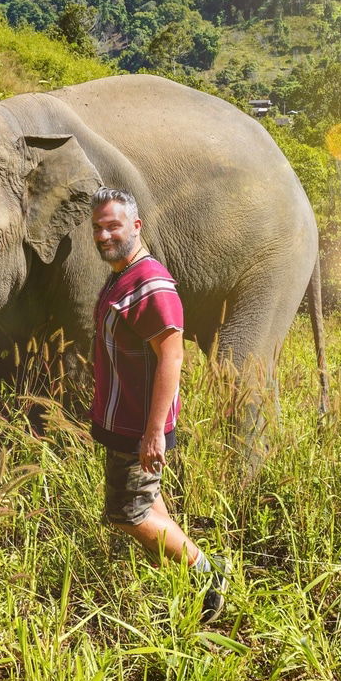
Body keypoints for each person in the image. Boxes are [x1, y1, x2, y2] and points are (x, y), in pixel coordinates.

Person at [89, 186, 231, 624]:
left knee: (126, 512)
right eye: (97, 227)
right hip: (126, 417)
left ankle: (208, 575)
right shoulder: (121, 275)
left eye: (113, 225)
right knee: (148, 506)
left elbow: (172, 355)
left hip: (139, 424)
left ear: (136, 226)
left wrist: (154, 432)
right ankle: (182, 586)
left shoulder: (150, 283)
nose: (103, 235)